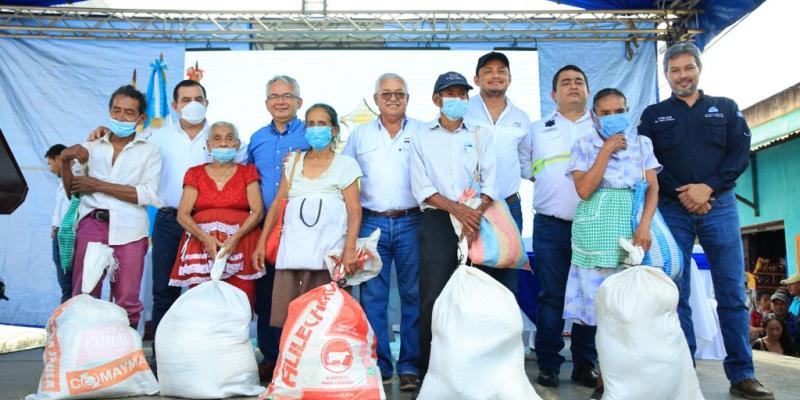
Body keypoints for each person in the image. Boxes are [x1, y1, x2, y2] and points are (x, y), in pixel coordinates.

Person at [638, 41, 773, 399]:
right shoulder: (653, 115)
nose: (682, 75)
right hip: (672, 209)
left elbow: (740, 154)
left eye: (688, 68)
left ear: (699, 69)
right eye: (674, 70)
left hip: (721, 206)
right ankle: (683, 373)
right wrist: (685, 193)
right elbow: (647, 164)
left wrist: (707, 189)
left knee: (731, 292)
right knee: (674, 294)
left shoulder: (725, 108)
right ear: (666, 75)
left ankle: (743, 375)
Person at [85, 80, 226, 349]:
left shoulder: (221, 137)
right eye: (185, 100)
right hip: (169, 220)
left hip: (208, 222)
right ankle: (163, 354)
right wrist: (102, 131)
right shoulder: (155, 136)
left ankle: (205, 352)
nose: (192, 105)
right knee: (164, 290)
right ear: (174, 106)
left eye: (198, 99)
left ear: (207, 103)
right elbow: (121, 141)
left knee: (208, 289)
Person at [566, 88, 661, 399]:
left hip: (633, 226)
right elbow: (583, 189)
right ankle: (605, 380)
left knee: (634, 308)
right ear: (594, 116)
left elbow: (652, 189)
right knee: (603, 313)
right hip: (596, 231)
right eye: (605, 113)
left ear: (627, 110)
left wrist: (644, 226)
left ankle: (635, 378)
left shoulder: (642, 144)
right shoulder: (583, 145)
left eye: (618, 110)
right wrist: (605, 151)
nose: (612, 117)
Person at [409, 71, 498, 377]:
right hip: (437, 220)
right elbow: (421, 187)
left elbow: (491, 182)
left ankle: (471, 368)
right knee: (433, 295)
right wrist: (457, 210)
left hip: (476, 220)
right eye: (451, 94)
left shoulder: (480, 133)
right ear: (436, 100)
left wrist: (474, 213)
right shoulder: (421, 135)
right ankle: (431, 369)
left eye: (462, 94)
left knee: (474, 293)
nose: (458, 100)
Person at [341, 73, 423, 390]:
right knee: (373, 298)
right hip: (371, 222)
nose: (392, 98)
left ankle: (410, 367)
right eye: (386, 93)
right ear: (375, 99)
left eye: (399, 93)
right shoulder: (359, 136)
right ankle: (379, 365)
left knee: (413, 296)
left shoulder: (422, 131)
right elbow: (347, 181)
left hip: (412, 221)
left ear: (407, 98)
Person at [60, 85, 162, 328]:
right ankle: (82, 354)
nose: (121, 117)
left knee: (127, 300)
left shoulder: (150, 151)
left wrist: (97, 184)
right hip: (92, 224)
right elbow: (71, 190)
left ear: (141, 118)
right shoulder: (91, 147)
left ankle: (124, 358)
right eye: (116, 111)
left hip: (130, 230)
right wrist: (65, 160)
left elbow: (146, 194)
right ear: (108, 111)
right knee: (84, 293)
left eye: (129, 113)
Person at [253, 103, 362, 328]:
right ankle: (289, 362)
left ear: (334, 131)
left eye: (321, 124)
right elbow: (276, 205)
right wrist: (261, 244)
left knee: (326, 318)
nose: (315, 129)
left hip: (328, 254)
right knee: (291, 317)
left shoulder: (346, 164)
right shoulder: (293, 162)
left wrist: (350, 248)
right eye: (310, 124)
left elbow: (354, 209)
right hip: (293, 253)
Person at [524, 65, 598, 389]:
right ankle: (549, 365)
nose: (572, 86)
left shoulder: (601, 128)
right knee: (551, 297)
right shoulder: (536, 129)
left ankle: (585, 364)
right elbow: (527, 168)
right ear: (553, 94)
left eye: (578, 82)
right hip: (550, 225)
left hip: (594, 226)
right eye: (565, 83)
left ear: (587, 91)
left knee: (589, 297)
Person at [247, 75, 310, 381]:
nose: (281, 101)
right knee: (267, 293)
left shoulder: (312, 134)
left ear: (299, 102)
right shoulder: (257, 138)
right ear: (266, 103)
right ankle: (271, 356)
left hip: (303, 226)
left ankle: (299, 355)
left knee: (298, 292)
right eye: (274, 96)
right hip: (265, 227)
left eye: (287, 96)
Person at [169, 121, 264, 307]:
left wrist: (234, 239)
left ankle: (237, 337)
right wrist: (205, 238)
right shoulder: (195, 173)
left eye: (229, 139)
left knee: (241, 300)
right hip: (201, 246)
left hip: (242, 243)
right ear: (208, 144)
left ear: (237, 145)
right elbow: (183, 214)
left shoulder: (248, 172)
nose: (223, 144)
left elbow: (258, 211)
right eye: (217, 138)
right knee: (201, 302)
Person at [464, 51, 531, 295]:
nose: (495, 76)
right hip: (470, 208)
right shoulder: (463, 112)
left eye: (501, 71)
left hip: (508, 207)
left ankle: (506, 332)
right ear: (476, 79)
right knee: (472, 276)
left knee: (507, 279)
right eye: (488, 71)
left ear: (509, 79)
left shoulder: (521, 118)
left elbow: (526, 162)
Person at [45, 144, 72, 303]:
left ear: (58, 159)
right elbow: (59, 208)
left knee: (68, 284)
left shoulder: (75, 178)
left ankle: (67, 320)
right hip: (60, 233)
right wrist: (55, 226)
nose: (50, 168)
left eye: (50, 163)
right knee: (65, 283)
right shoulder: (62, 183)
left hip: (69, 236)